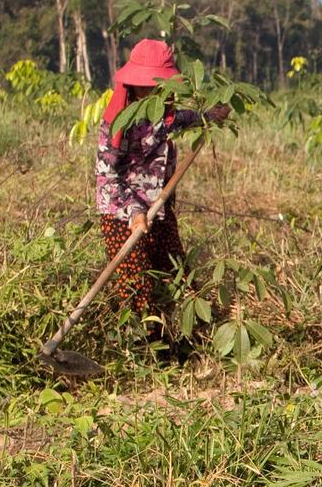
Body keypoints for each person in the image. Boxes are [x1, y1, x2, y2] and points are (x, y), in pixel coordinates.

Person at [94, 39, 226, 330]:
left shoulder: (163, 115)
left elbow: (184, 119)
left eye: (159, 86)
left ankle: (198, 334)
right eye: (147, 85)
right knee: (136, 286)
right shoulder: (117, 122)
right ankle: (147, 350)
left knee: (176, 272)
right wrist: (134, 212)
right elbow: (107, 177)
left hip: (159, 208)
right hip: (122, 216)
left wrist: (211, 116)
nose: (154, 92)